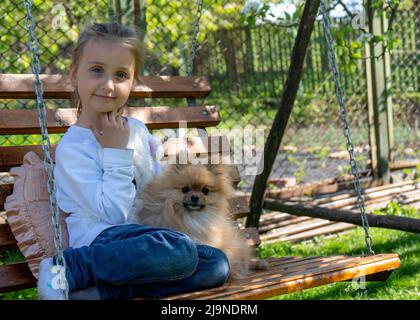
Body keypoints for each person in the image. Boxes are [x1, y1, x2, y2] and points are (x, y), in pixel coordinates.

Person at [37, 22, 230, 300]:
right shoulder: (73, 147)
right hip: (103, 241)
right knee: (181, 251)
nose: (108, 84)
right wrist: (115, 153)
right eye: (96, 71)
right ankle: (67, 268)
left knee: (216, 263)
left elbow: (153, 188)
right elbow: (112, 214)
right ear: (73, 75)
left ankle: (99, 292)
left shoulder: (137, 131)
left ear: (132, 81)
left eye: (120, 75)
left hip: (146, 239)